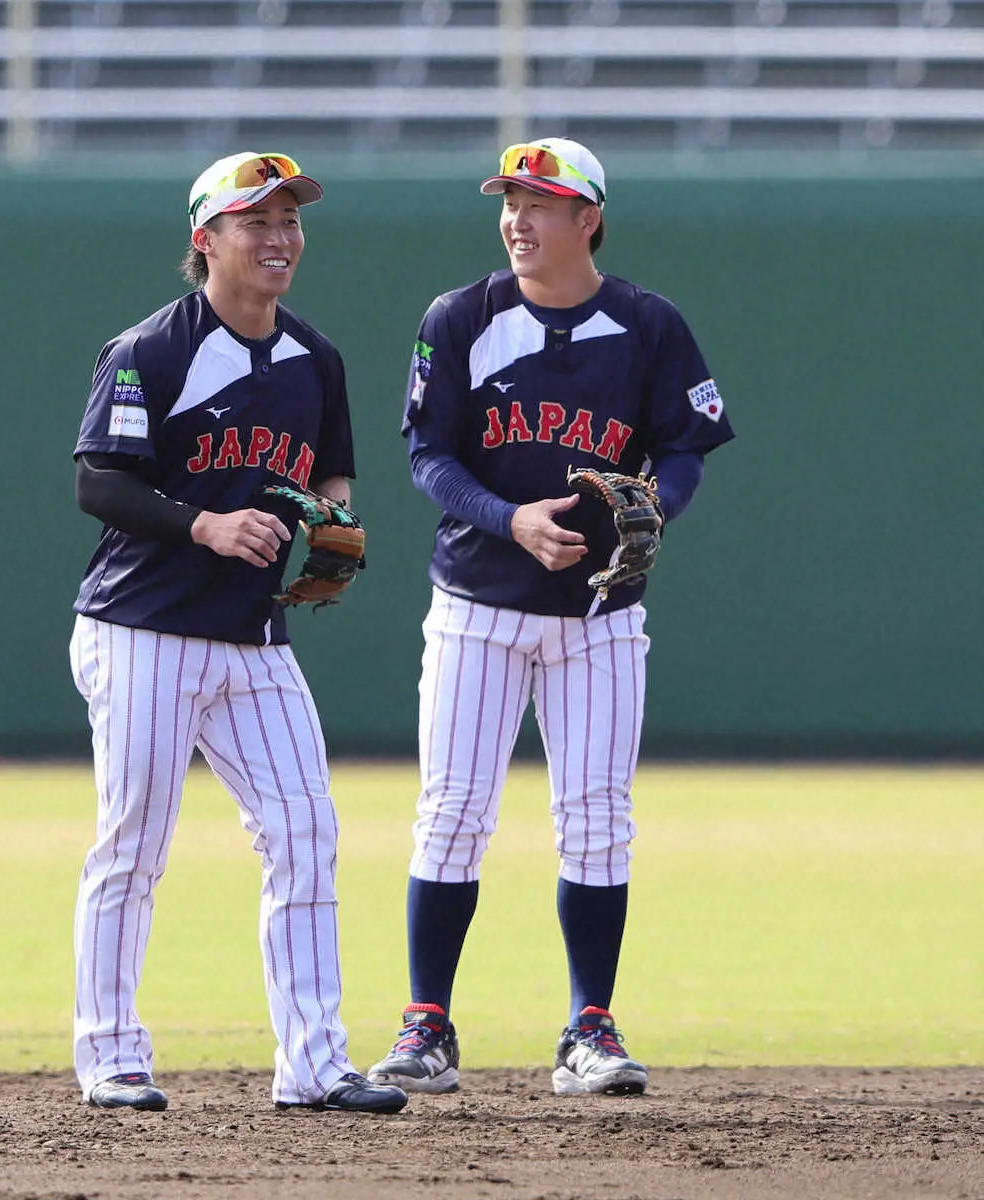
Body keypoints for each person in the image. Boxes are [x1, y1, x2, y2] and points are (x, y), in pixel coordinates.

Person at [367, 138, 734, 1097]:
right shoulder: (461, 317)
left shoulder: (647, 324)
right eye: (509, 201)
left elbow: (684, 447)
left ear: (588, 219)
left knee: (597, 819)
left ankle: (589, 1028)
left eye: (538, 203)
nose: (517, 219)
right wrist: (509, 519)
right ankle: (426, 1024)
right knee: (451, 813)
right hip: (477, 605)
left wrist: (656, 505)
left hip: (600, 613)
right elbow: (429, 457)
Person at [68, 151, 407, 1116]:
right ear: (205, 240)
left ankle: (315, 1065)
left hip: (253, 637)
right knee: (135, 842)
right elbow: (98, 481)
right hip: (141, 626)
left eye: (289, 220)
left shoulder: (314, 357)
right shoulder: (152, 350)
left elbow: (330, 471)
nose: (279, 237)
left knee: (305, 831)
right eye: (256, 221)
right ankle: (110, 1056)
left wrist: (333, 526)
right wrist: (205, 524)